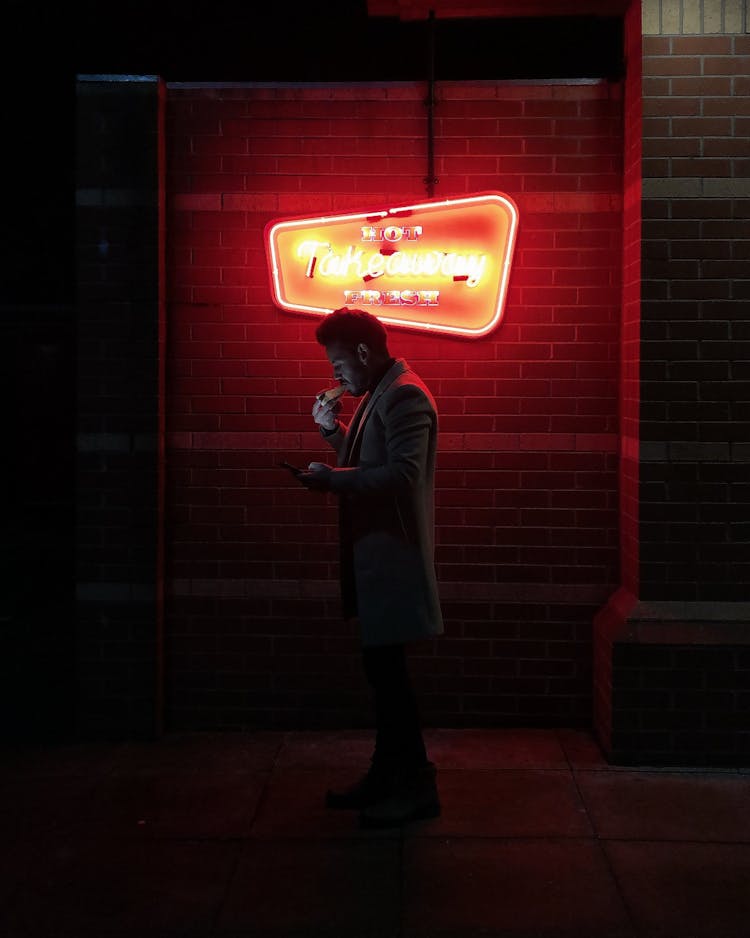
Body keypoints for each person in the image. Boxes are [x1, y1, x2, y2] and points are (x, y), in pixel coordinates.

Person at [296, 306, 443, 829]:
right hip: (379, 560)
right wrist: (332, 432)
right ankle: (387, 776)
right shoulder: (380, 393)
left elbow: (402, 476)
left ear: (363, 352)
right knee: (384, 678)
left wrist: (331, 481)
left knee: (392, 683)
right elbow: (370, 460)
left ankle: (415, 788)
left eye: (339, 365)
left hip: (392, 561)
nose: (336, 377)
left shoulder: (403, 395)